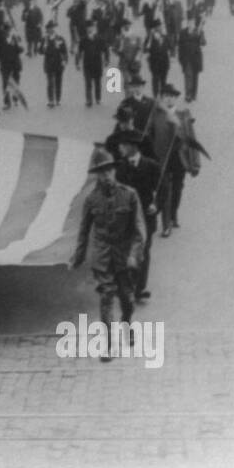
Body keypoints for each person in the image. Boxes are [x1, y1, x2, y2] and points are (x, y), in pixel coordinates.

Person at [69, 147, 146, 362]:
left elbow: (140, 231)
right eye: (101, 172)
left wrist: (133, 255)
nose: (106, 176)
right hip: (103, 258)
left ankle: (127, 322)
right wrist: (78, 257)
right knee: (106, 298)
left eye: (108, 171)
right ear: (96, 175)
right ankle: (110, 345)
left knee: (127, 299)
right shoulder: (91, 200)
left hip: (125, 257)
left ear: (114, 171)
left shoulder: (130, 195)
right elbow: (84, 232)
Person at [149, 84, 209, 235]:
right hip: (162, 159)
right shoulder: (156, 115)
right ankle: (167, 221)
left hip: (179, 159)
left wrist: (195, 163)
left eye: (172, 96)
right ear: (162, 98)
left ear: (176, 98)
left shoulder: (183, 115)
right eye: (166, 96)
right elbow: (150, 137)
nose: (169, 99)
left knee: (177, 189)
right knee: (166, 190)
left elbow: (191, 140)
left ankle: (173, 214)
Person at [113, 129, 161, 302]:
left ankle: (139, 288)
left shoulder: (151, 166)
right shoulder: (120, 168)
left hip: (147, 217)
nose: (120, 148)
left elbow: (163, 189)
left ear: (132, 147)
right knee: (126, 250)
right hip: (127, 218)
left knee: (144, 250)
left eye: (123, 145)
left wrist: (157, 205)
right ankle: (128, 286)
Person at [80, 20, 108, 108]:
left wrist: (107, 59)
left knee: (97, 83)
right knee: (88, 83)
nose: (89, 29)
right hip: (87, 64)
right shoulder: (83, 39)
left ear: (94, 28)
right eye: (88, 28)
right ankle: (89, 100)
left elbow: (105, 50)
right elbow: (80, 51)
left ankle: (98, 98)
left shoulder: (99, 39)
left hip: (97, 64)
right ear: (86, 29)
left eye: (91, 27)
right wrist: (77, 62)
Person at [177, 18, 206, 101]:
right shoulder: (183, 32)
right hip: (186, 59)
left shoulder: (198, 31)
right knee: (188, 77)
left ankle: (194, 94)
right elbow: (180, 46)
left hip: (196, 59)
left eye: (192, 23)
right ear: (187, 23)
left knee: (195, 77)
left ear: (194, 24)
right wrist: (180, 58)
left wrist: (201, 34)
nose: (191, 24)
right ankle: (188, 95)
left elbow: (203, 43)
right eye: (189, 22)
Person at [42, 20, 68, 108]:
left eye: (51, 28)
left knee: (58, 82)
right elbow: (39, 51)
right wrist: (43, 47)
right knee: (50, 82)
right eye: (48, 29)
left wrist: (65, 61)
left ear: (53, 29)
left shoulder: (60, 38)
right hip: (49, 63)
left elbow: (64, 51)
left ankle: (58, 99)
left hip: (58, 63)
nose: (49, 30)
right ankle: (50, 100)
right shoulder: (44, 39)